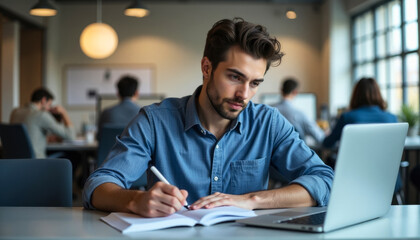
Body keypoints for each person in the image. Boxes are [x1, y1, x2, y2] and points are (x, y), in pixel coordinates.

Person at [83, 18, 334, 217]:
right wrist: (136, 200)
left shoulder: (269, 123)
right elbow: (98, 185)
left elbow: (324, 180)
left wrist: (250, 200)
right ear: (206, 68)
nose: (244, 94)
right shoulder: (154, 121)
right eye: (235, 77)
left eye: (255, 83)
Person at [323, 77, 397, 149]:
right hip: (385, 161)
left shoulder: (347, 117)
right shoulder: (392, 118)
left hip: (354, 161)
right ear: (378, 94)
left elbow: (327, 143)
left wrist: (328, 134)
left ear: (355, 95)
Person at [9, 88, 76, 158]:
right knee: (75, 155)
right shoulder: (41, 115)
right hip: (37, 162)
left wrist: (46, 138)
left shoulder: (15, 112)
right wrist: (63, 112)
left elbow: (27, 134)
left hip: (15, 161)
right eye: (49, 105)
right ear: (43, 100)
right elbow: (71, 136)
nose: (49, 109)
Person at [272, 78, 325, 144]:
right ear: (295, 92)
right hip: (295, 152)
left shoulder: (269, 110)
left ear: (281, 90)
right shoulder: (300, 114)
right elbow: (320, 137)